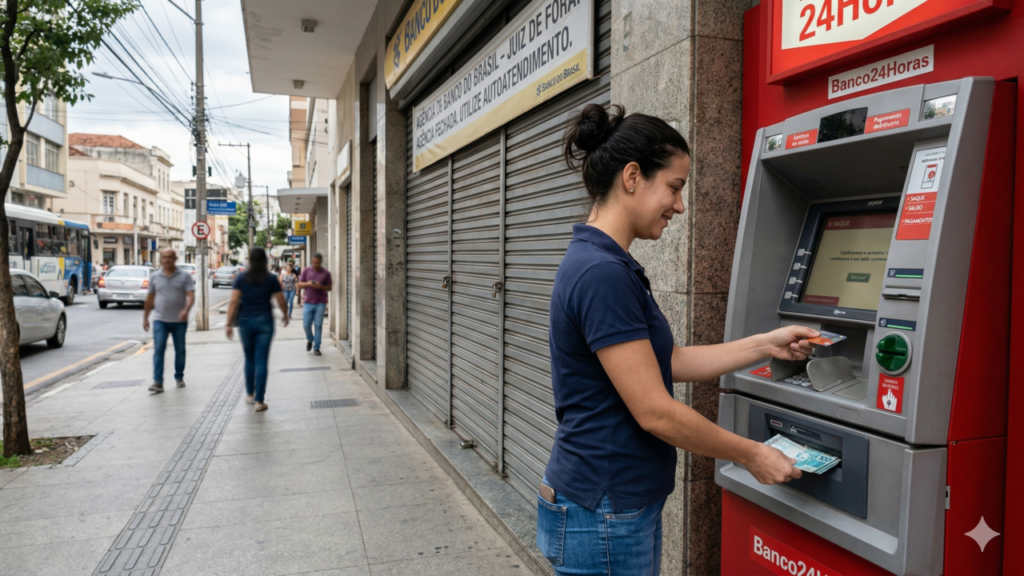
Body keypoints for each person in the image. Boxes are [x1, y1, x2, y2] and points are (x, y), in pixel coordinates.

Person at [537, 104, 817, 576]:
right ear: (631, 176)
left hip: (609, 505)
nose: (680, 206)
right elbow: (655, 411)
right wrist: (752, 454)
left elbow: (669, 361)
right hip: (604, 509)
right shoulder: (602, 273)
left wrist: (766, 344)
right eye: (674, 186)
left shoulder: (605, 262)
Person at [225, 247, 289, 412]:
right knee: (261, 360)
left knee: (249, 358)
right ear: (265, 259)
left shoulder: (241, 278)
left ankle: (250, 394)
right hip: (265, 322)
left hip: (245, 322)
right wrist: (285, 314)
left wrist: (228, 323)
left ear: (249, 260)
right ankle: (259, 401)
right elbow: (281, 298)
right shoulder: (271, 278)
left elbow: (233, 302)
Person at [143, 248, 195, 393]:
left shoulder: (185, 276)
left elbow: (191, 296)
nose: (167, 260)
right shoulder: (155, 277)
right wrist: (145, 318)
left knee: (180, 350)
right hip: (160, 320)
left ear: (175, 258)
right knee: (159, 349)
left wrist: (186, 310)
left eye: (170, 257)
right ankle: (158, 382)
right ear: (161, 259)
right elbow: (149, 299)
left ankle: (179, 377)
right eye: (164, 257)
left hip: (179, 321)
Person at [297, 252, 331, 356]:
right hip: (308, 302)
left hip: (320, 302)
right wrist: (309, 283)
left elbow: (329, 287)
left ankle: (317, 347)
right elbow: (299, 284)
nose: (315, 264)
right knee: (306, 324)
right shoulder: (306, 270)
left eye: (317, 263)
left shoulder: (325, 273)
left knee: (318, 325)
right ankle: (310, 339)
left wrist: (320, 286)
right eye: (313, 262)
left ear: (320, 262)